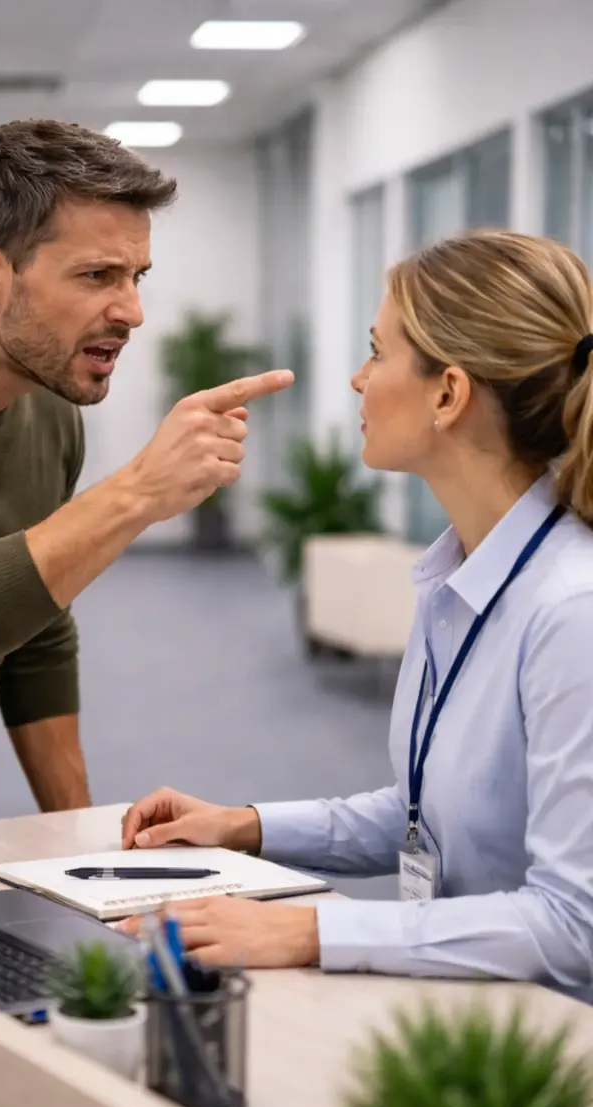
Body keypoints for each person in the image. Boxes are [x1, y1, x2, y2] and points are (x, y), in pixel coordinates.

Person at [120, 230, 593, 997]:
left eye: (377, 353)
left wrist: (307, 931)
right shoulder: (460, 576)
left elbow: (576, 927)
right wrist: (244, 826)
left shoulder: (572, 612)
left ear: (449, 394)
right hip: (467, 1007)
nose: (356, 379)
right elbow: (426, 817)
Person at [0, 119, 292, 825]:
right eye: (97, 275)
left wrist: (74, 845)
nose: (131, 311)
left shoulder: (47, 412)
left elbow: (33, 632)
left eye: (136, 277)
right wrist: (135, 493)